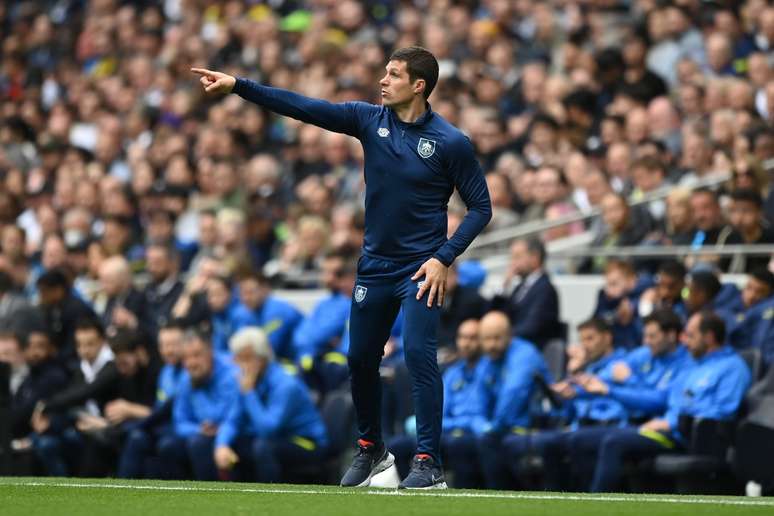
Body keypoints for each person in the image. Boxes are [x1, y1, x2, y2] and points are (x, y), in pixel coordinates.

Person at [192, 45, 492, 489]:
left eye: (393, 74)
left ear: (418, 86)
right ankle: (373, 450)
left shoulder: (450, 142)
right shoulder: (368, 120)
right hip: (374, 267)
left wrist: (443, 258)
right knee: (359, 357)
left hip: (420, 269)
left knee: (418, 355)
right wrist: (240, 86)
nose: (382, 80)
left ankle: (428, 461)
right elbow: (303, 107)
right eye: (384, 72)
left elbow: (481, 208)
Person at [590, 311, 752, 492]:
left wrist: (672, 422)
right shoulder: (692, 365)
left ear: (709, 337)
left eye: (691, 336)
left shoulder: (733, 367)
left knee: (614, 442)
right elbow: (670, 400)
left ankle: (595, 504)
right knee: (598, 439)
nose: (684, 341)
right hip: (669, 431)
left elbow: (723, 411)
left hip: (692, 437)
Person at [215, 327, 329, 483]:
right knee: (230, 444)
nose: (240, 366)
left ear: (262, 358)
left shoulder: (285, 384)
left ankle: (269, 492)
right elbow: (233, 420)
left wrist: (249, 393)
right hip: (277, 439)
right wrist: (221, 445)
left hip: (306, 442)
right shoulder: (247, 380)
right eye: (238, 359)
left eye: (246, 359)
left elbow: (268, 429)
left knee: (263, 446)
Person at [490, 238, 561, 348]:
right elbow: (497, 315)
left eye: (517, 257)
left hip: (531, 348)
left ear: (535, 257)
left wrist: (502, 337)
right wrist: (504, 286)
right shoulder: (520, 287)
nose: (512, 263)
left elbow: (531, 327)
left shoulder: (546, 290)